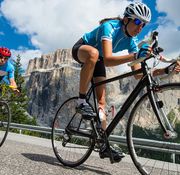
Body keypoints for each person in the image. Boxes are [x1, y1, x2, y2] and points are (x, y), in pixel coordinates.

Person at [72, 2, 180, 162]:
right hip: (83, 49)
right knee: (94, 53)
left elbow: (138, 74)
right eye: (137, 22)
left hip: (99, 59)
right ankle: (81, 100)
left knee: (101, 102)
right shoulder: (109, 27)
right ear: (126, 20)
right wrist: (136, 55)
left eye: (143, 24)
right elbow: (108, 60)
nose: (140, 27)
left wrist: (165, 71)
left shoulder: (132, 41)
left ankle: (103, 144)